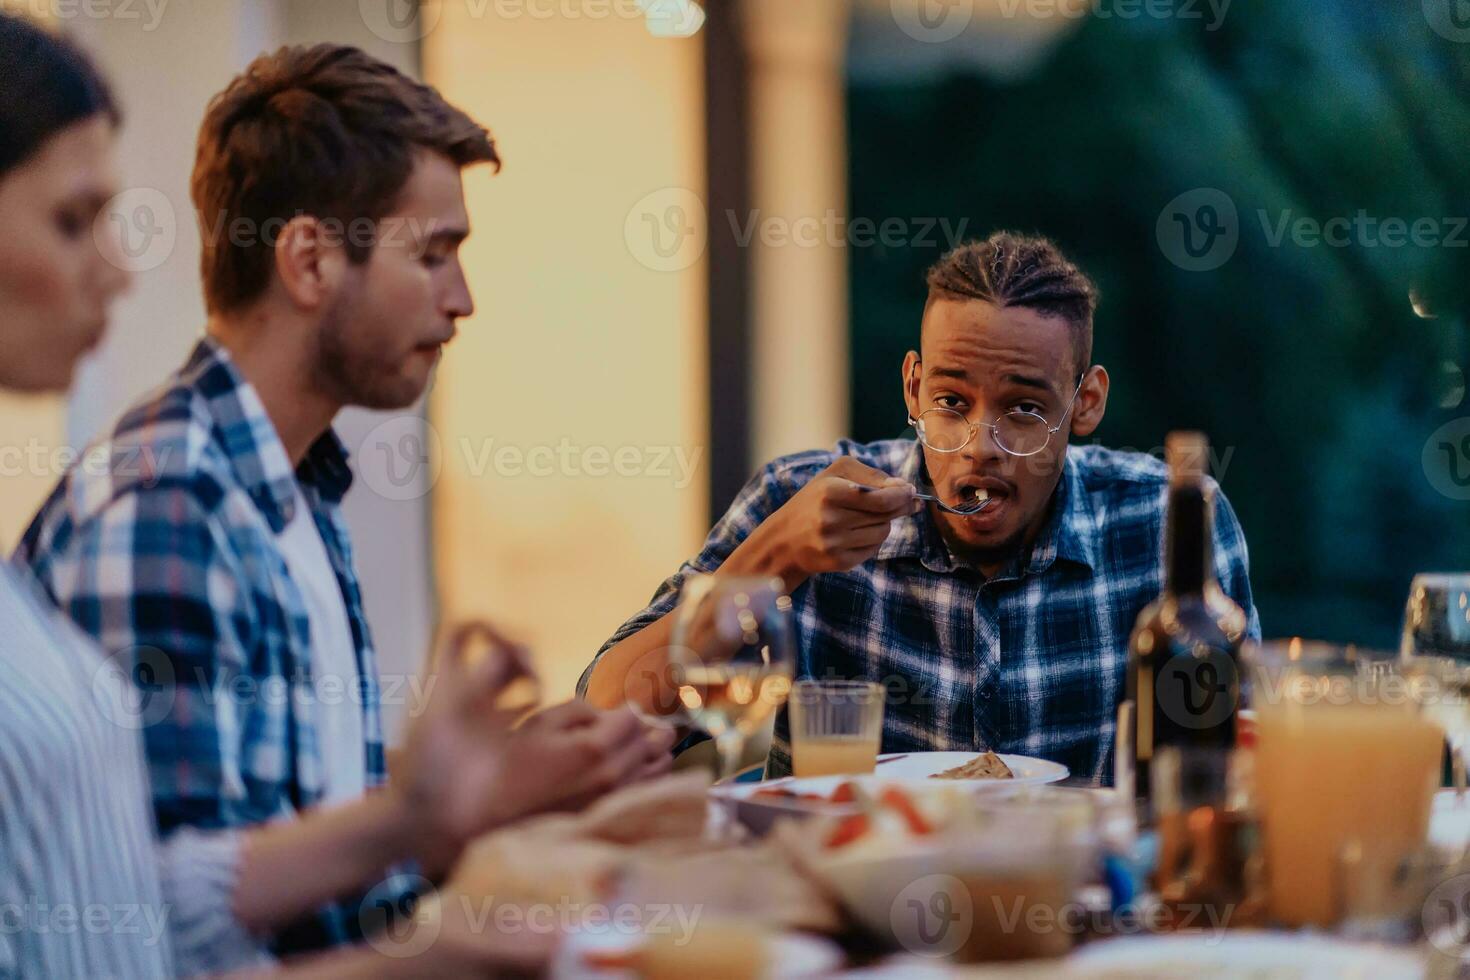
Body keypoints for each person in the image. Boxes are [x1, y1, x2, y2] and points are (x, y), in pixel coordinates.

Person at [5, 24, 672, 973]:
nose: (464, 299)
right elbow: (173, 941)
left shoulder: (296, 490)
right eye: (432, 254)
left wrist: (468, 809)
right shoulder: (165, 508)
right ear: (311, 262)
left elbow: (286, 897)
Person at [581, 231, 1260, 781]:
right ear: (913, 388)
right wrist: (774, 557)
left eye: (1024, 409)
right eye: (951, 403)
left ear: (1085, 402)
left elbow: (1248, 757)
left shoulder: (1168, 523)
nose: (978, 447)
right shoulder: (800, 501)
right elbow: (608, 718)